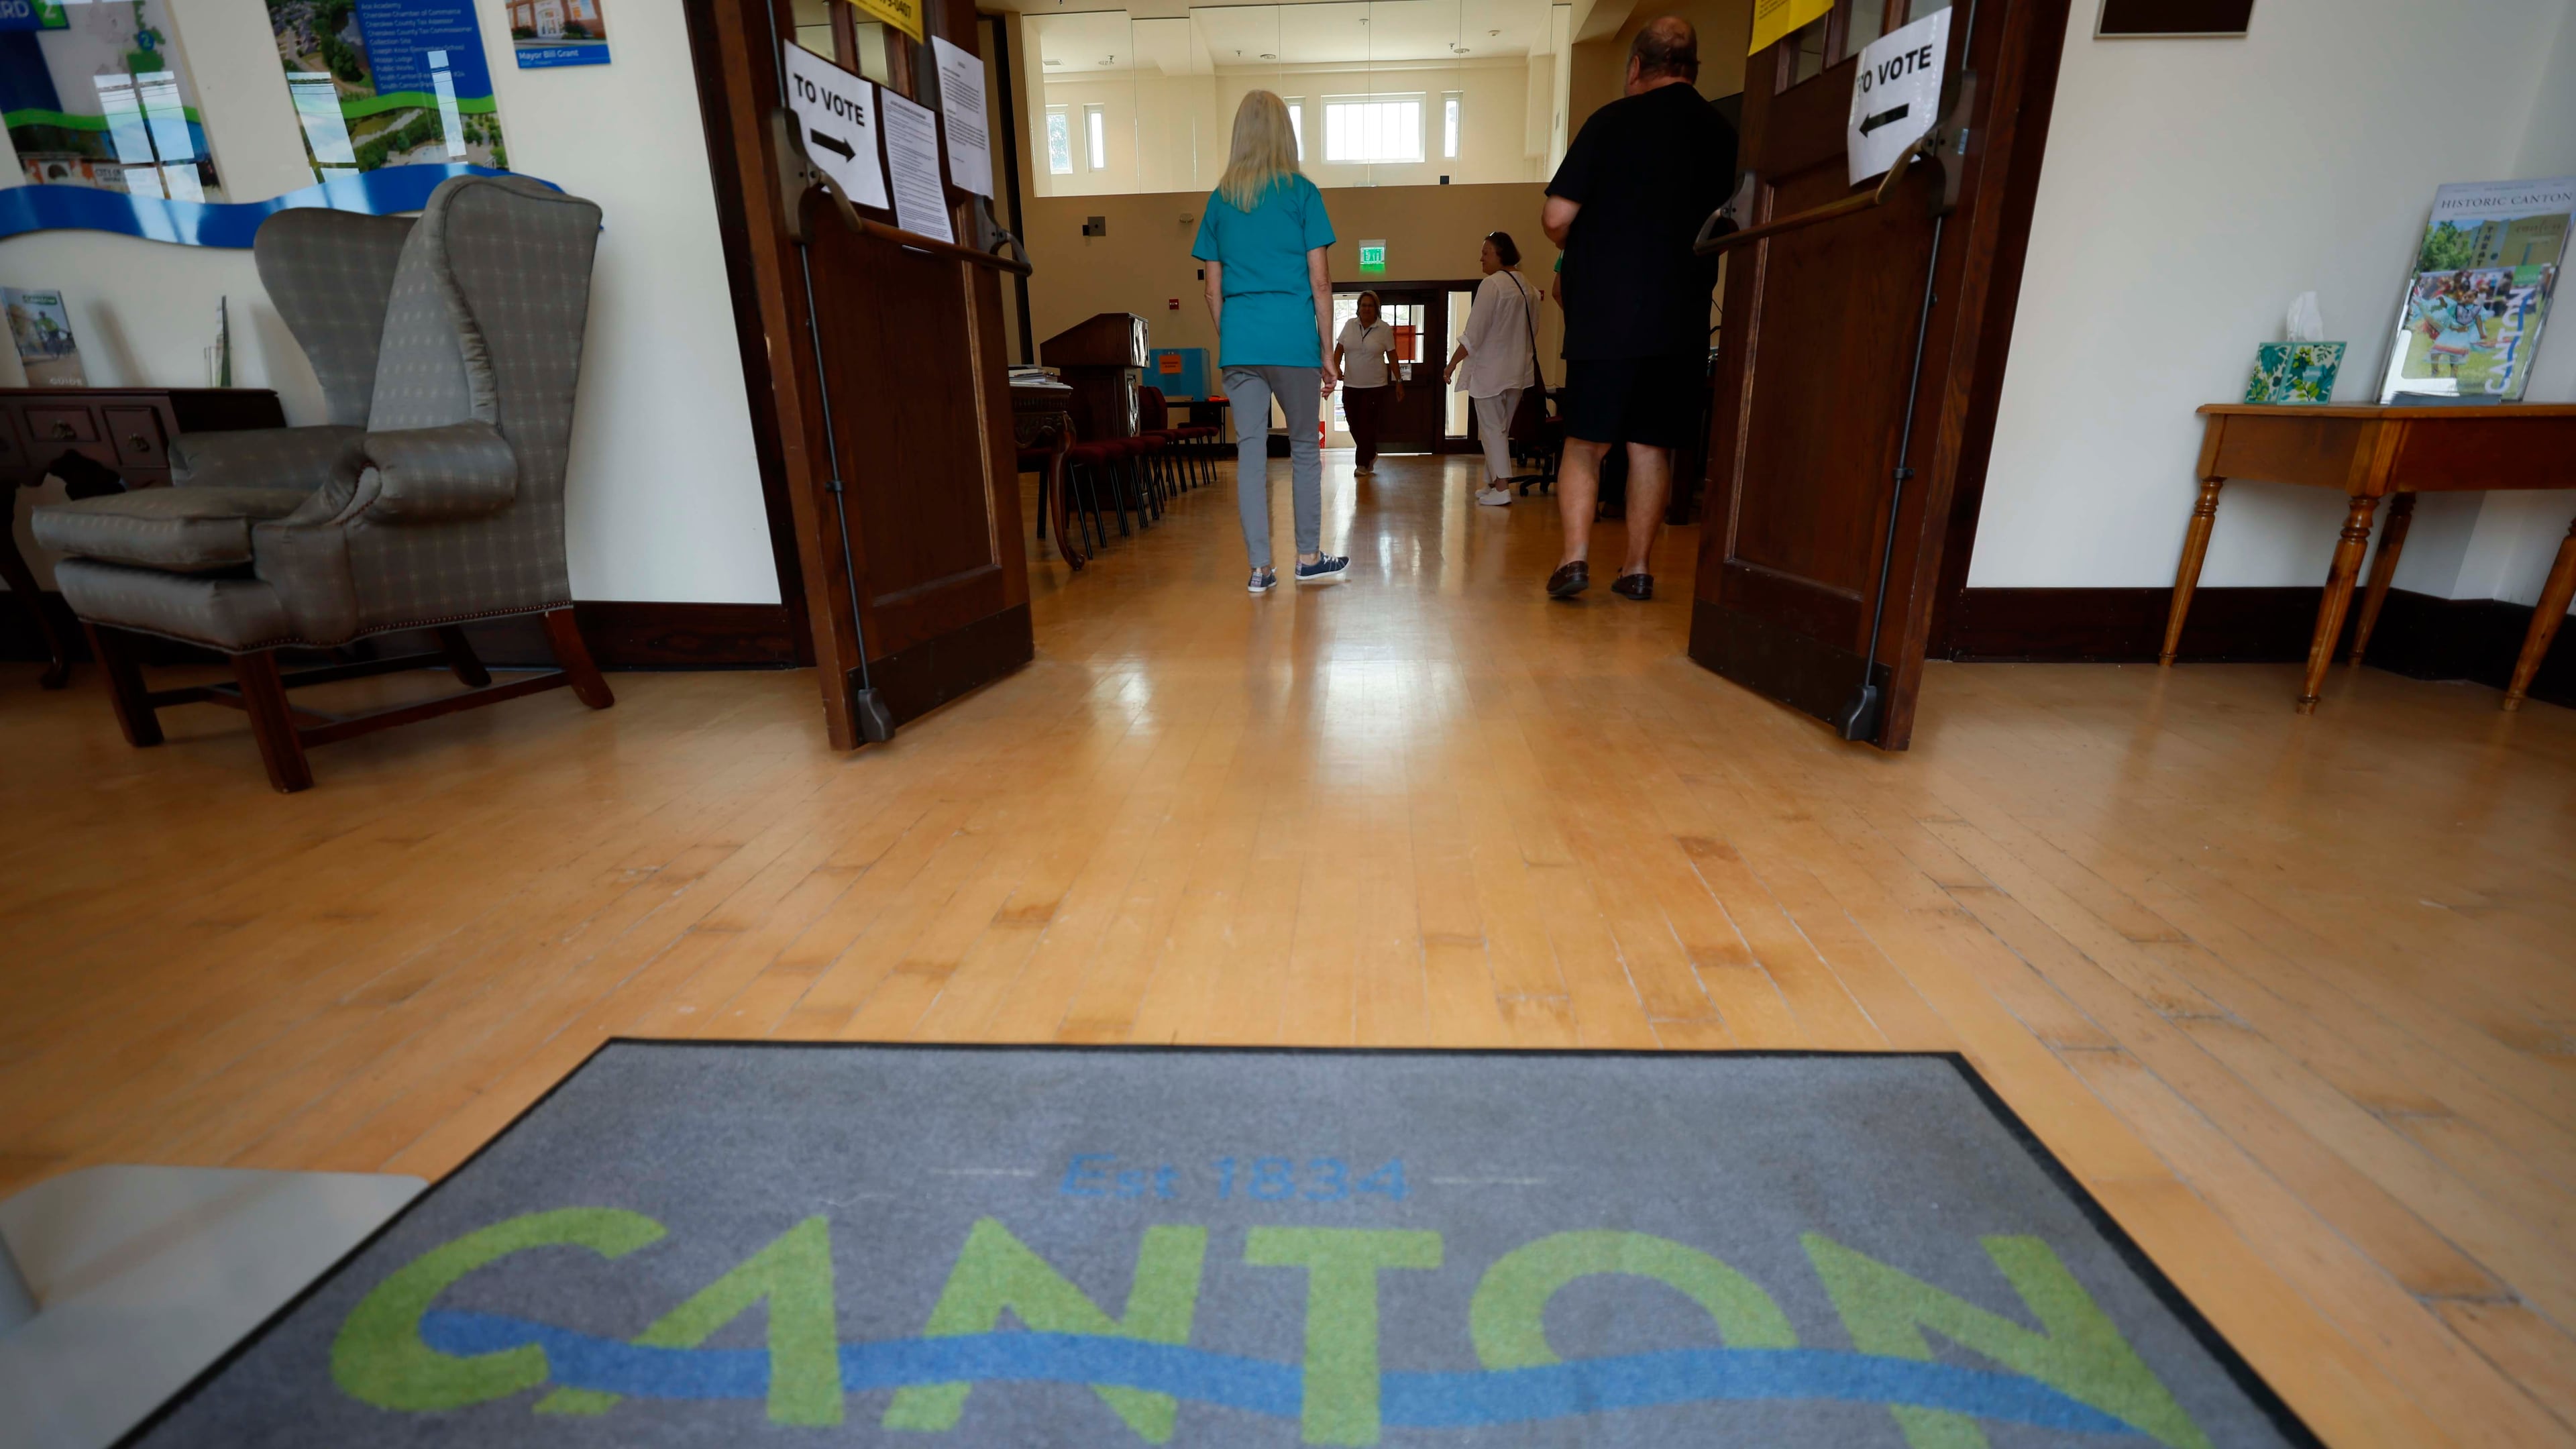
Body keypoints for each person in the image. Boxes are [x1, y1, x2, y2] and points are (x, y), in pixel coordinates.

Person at [1539, 17, 1735, 601]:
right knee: (1650, 444)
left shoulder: (1611, 122)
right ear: (1691, 69)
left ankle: (1575, 560)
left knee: (1586, 441)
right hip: (1681, 313)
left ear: (1634, 68)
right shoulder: (1722, 132)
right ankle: (1639, 568)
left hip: (1607, 310)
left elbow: (1556, 217)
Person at [1193, 90, 1351, 593]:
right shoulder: (1303, 194)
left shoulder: (1221, 199)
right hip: (1292, 341)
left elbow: (1212, 291)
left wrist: (1236, 338)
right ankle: (1307, 557)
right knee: (1305, 447)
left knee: (1252, 453)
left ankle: (1260, 570)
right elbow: (1321, 282)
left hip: (1241, 342)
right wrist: (1327, 350)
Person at [1444, 231, 1538, 507]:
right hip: (1518, 371)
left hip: (1491, 371)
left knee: (1492, 430)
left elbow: (1474, 334)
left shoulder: (1492, 285)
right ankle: (1491, 484)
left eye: (1485, 253)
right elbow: (1534, 332)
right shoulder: (1529, 288)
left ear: (1500, 254)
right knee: (1499, 430)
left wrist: (1451, 363)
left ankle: (1502, 487)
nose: (1481, 258)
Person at [1333, 291, 1403, 474]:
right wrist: (1336, 368)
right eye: (1363, 305)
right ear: (1359, 308)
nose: (1366, 309)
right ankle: (1371, 453)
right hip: (1351, 385)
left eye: (1370, 306)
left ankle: (1362, 464)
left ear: (1376, 309)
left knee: (1366, 424)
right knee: (1353, 423)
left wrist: (1398, 381)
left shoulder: (1384, 329)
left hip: (1375, 386)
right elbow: (1339, 349)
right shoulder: (1349, 325)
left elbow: (1393, 355)